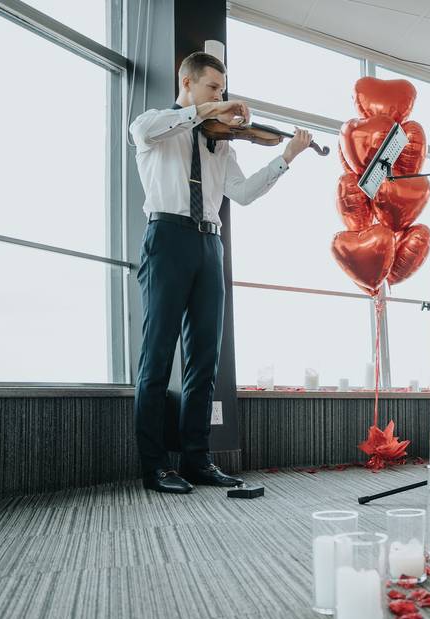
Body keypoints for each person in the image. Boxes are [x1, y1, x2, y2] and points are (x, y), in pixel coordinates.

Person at [130, 52, 312, 493]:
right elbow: (148, 128)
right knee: (156, 359)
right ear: (187, 83)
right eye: (213, 88)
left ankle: (197, 459)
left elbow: (243, 194)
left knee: (206, 359)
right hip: (167, 237)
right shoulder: (154, 125)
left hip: (210, 243)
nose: (221, 97)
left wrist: (285, 157)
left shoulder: (220, 141)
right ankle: (154, 466)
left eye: (223, 90)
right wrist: (207, 111)